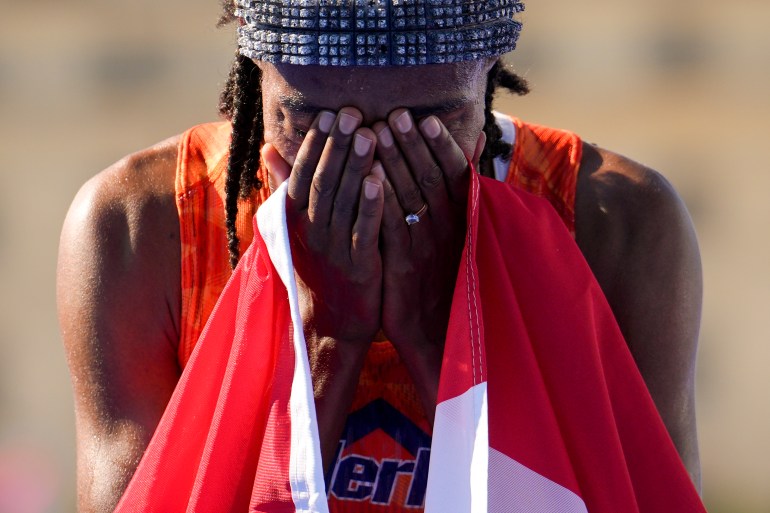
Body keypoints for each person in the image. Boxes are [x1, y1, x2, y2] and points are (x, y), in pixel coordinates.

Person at [57, 1, 703, 511]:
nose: (366, 164)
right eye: (312, 126)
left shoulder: (614, 227)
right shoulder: (144, 229)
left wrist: (442, 342)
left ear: (486, 76)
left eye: (428, 125)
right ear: (257, 69)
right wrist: (324, 339)